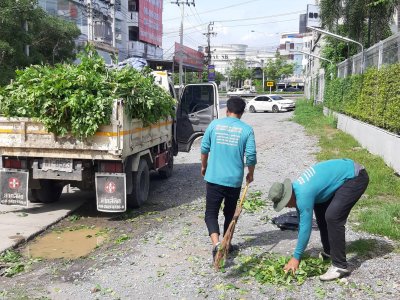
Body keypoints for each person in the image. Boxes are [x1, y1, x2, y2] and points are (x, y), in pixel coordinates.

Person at [268, 158, 369, 281]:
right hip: (344, 175)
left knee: (333, 217)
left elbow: (306, 227)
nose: (287, 206)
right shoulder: (298, 189)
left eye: (285, 203)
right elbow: (302, 223)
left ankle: (339, 266)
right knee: (321, 212)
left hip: (355, 177)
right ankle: (329, 251)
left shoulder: (303, 194)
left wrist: (296, 257)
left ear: (289, 195)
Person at [201, 96, 257, 261]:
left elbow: (204, 148)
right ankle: (227, 245)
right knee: (230, 213)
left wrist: (204, 166)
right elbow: (251, 156)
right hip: (234, 180)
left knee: (210, 213)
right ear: (242, 113)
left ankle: (217, 244)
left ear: (227, 110)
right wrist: (251, 173)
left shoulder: (214, 124)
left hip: (214, 177)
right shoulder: (246, 130)